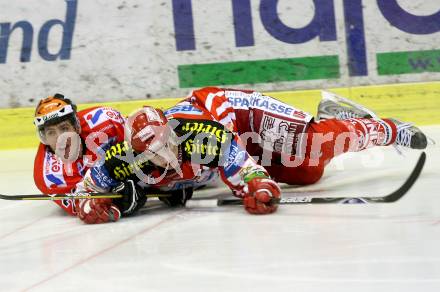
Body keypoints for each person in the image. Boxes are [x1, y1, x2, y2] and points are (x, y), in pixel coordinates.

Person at [82, 87, 427, 218]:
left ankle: (386, 129)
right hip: (237, 137)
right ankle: (332, 116)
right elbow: (83, 191)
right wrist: (89, 205)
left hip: (238, 113)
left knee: (313, 144)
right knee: (306, 173)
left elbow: (239, 164)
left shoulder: (199, 138)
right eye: (156, 151)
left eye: (169, 141)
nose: (169, 152)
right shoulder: (120, 163)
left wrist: (257, 184)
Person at [32, 93, 148, 224]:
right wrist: (117, 202)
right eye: (51, 132)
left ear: (76, 126)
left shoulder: (105, 120)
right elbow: (88, 206)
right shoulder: (48, 177)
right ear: (44, 138)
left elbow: (143, 144)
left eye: (64, 128)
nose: (60, 139)